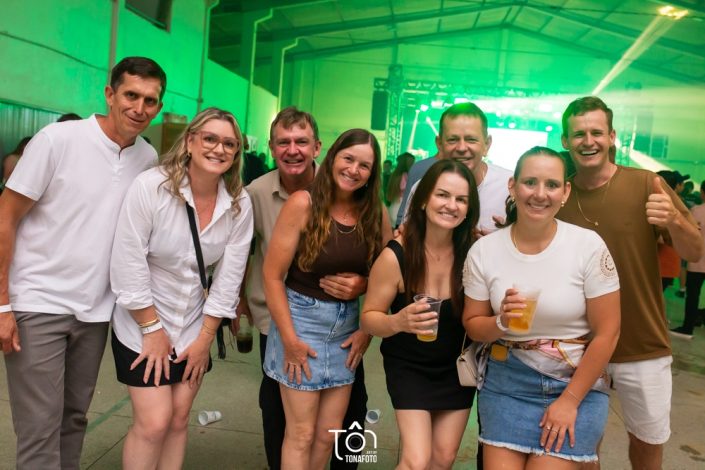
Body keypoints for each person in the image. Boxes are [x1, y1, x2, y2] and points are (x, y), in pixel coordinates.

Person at [0, 56, 166, 469]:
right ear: (110, 94)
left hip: (95, 312)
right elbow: (6, 217)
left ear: (159, 106)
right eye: (131, 95)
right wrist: (2, 304)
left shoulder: (148, 158)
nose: (139, 108)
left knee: (73, 420)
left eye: (150, 100)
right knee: (39, 428)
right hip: (38, 302)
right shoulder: (58, 140)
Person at [557, 96, 703, 470]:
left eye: (596, 132)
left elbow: (695, 251)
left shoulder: (647, 184)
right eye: (579, 134)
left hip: (643, 344)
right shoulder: (561, 195)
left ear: (612, 137)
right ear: (565, 141)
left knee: (647, 442)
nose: (588, 141)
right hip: (578, 345)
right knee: (581, 444)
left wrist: (674, 220)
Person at [109, 107, 252, 469]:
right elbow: (128, 263)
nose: (219, 149)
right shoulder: (152, 186)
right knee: (154, 422)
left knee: (178, 419)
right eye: (210, 138)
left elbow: (229, 279)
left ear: (236, 152)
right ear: (189, 141)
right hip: (141, 321)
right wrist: (151, 330)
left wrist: (204, 339)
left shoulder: (238, 203)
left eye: (229, 143)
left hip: (193, 325)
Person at [464, 146, 621, 468]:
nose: (540, 194)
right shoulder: (484, 251)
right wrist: (500, 321)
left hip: (575, 383)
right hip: (506, 385)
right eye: (530, 182)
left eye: (551, 185)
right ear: (512, 186)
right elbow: (473, 325)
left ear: (565, 192)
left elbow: (608, 332)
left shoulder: (587, 245)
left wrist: (570, 401)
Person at [241, 108, 374, 469]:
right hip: (283, 319)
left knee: (338, 428)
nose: (293, 150)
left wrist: (364, 289)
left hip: (343, 326)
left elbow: (386, 265)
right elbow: (245, 255)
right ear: (272, 148)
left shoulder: (361, 204)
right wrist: (239, 305)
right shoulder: (258, 193)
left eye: (301, 141)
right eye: (283, 142)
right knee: (284, 423)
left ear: (317, 148)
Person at [361, 159, 479, 469]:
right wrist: (397, 321)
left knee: (443, 459)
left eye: (461, 199)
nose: (451, 205)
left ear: (469, 208)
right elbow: (369, 317)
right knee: (416, 460)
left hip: (455, 368)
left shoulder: (474, 253)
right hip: (409, 367)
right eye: (443, 195)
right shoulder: (395, 255)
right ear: (424, 198)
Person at [398, 102, 511, 235]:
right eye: (452, 140)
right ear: (439, 144)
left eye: (471, 139)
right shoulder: (423, 188)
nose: (461, 148)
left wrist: (504, 239)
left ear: (487, 144)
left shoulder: (510, 188)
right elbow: (407, 238)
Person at [671, 180, 705, 339]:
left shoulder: (697, 211)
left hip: (698, 261)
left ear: (703, 193)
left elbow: (688, 233)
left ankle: (688, 327)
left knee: (693, 295)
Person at [386, 152, 415, 224]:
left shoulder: (395, 175)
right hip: (401, 208)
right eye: (412, 162)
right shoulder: (405, 175)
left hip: (394, 206)